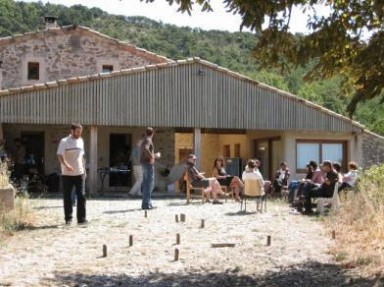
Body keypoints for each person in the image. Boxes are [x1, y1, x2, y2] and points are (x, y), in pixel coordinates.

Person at [57, 123, 87, 225]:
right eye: (77, 131)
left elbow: (82, 157)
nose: (79, 133)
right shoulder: (64, 141)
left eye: (80, 131)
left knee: (81, 196)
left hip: (79, 173)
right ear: (72, 131)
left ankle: (81, 219)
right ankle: (68, 218)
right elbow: (60, 155)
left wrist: (84, 170)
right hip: (67, 174)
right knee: (68, 197)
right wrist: (66, 165)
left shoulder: (81, 141)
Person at [140, 127, 160, 210]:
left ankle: (149, 203)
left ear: (145, 132)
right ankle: (146, 204)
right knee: (149, 184)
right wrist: (152, 157)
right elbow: (146, 148)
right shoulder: (148, 140)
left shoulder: (144, 140)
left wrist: (154, 155)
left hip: (144, 163)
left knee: (147, 184)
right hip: (148, 164)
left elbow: (145, 150)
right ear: (153, 133)